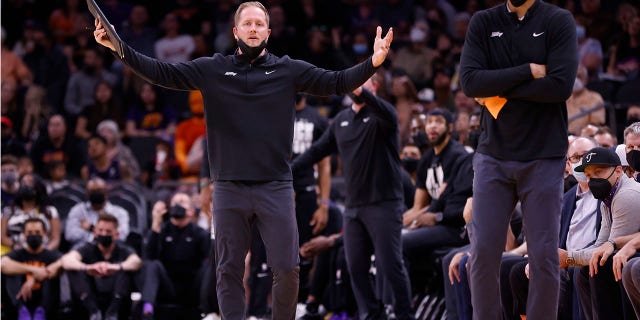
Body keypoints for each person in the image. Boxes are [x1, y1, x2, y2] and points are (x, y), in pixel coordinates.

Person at [92, 2, 393, 319]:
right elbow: (160, 72)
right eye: (247, 24)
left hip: (275, 186)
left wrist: (373, 62)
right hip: (228, 187)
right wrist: (118, 48)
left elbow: (336, 81)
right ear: (235, 31)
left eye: (259, 24)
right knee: (229, 269)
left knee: (288, 268)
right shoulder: (213, 69)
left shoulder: (288, 70)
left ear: (268, 31)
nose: (253, 29)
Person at [458, 0, 578, 319]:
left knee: (542, 257)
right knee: (483, 252)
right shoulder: (483, 22)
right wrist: (528, 72)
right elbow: (470, 82)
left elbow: (560, 86)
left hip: (544, 155)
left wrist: (498, 85)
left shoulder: (558, 20)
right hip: (493, 155)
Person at [293, 75, 413, 320]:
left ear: (375, 86)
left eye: (363, 81)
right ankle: (373, 314)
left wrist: (360, 89)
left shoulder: (383, 115)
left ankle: (405, 315)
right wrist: (287, 170)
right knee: (355, 267)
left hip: (384, 203)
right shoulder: (341, 120)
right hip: (354, 207)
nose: (355, 86)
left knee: (391, 265)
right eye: (353, 81)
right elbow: (316, 151)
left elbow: (386, 110)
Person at [568, 146, 640, 319]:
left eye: (598, 172)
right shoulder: (607, 197)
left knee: (601, 265)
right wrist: (568, 257)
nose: (593, 180)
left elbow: (612, 248)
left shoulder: (627, 195)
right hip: (628, 248)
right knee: (585, 268)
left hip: (632, 250)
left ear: (618, 170)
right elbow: (601, 245)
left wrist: (568, 258)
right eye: (589, 176)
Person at [137, 192, 209, 319]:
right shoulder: (162, 230)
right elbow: (148, 257)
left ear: (191, 211)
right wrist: (155, 224)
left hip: (193, 287)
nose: (178, 206)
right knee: (153, 265)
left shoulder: (199, 233)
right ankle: (147, 310)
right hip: (167, 285)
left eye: (182, 203)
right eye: (175, 203)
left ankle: (209, 311)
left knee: (208, 265)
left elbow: (210, 256)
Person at [61, 213, 142, 320]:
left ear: (116, 234)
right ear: (95, 232)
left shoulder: (123, 249)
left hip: (118, 300)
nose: (103, 234)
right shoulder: (87, 248)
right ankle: (93, 312)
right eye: (100, 230)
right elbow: (66, 260)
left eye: (108, 231)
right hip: (90, 299)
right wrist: (87, 268)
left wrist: (116, 267)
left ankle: (113, 313)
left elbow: (137, 261)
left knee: (126, 269)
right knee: (75, 269)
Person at [1, 218, 63, 320]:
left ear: (44, 234)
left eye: (37, 232)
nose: (33, 235)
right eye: (29, 232)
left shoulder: (51, 255)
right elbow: (2, 264)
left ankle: (41, 311)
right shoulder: (18, 254)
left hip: (46, 302)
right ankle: (22, 311)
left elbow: (63, 263)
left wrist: (34, 278)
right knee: (10, 272)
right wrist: (35, 270)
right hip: (21, 299)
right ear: (24, 235)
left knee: (54, 273)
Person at [65, 177, 129, 246]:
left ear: (106, 192)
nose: (96, 194)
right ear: (87, 193)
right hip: (84, 249)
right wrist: (105, 233)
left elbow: (122, 236)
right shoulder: (77, 210)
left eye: (99, 191)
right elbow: (70, 235)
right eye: (92, 191)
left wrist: (91, 228)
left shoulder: (119, 213)